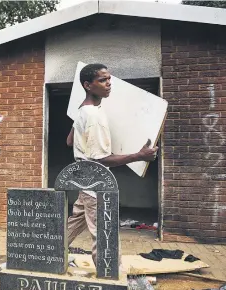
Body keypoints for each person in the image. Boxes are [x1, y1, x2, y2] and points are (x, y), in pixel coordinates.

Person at [66, 63, 158, 267]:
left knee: (73, 225)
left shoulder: (83, 110)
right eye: (102, 80)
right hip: (96, 183)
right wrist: (139, 155)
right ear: (88, 85)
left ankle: (47, 254)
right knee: (105, 234)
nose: (109, 84)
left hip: (84, 180)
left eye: (109, 79)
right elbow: (100, 160)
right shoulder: (93, 116)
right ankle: (109, 277)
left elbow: (70, 141)